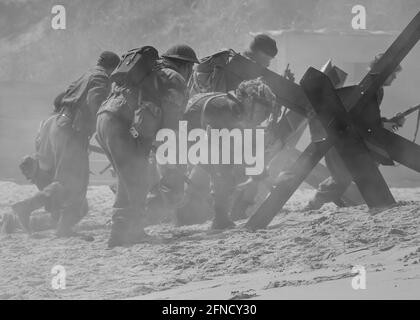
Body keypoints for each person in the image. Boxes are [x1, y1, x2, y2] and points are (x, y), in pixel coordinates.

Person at [96, 44, 199, 248]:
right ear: (186, 66)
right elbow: (172, 118)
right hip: (122, 126)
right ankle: (127, 233)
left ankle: (121, 233)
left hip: (104, 120)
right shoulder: (174, 78)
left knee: (129, 180)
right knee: (137, 181)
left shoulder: (149, 72)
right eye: (191, 69)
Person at [11, 51, 120, 237]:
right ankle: (27, 208)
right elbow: (96, 102)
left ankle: (62, 227)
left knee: (72, 182)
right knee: (72, 181)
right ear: (113, 67)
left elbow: (66, 96)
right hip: (72, 130)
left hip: (64, 125)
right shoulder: (102, 78)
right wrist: (107, 120)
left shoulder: (87, 74)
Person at [305, 53, 405, 210]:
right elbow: (362, 121)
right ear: (384, 72)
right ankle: (313, 205)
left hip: (349, 136)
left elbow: (369, 118)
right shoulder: (368, 89)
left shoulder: (376, 90)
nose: (394, 78)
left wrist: (389, 122)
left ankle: (349, 203)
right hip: (337, 135)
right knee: (341, 178)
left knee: (364, 167)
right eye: (393, 73)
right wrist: (384, 124)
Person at [183, 78, 276, 229]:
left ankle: (212, 214)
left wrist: (264, 177)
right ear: (247, 101)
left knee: (227, 169)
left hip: (199, 135)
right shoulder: (223, 109)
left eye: (266, 111)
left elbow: (250, 149)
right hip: (183, 136)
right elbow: (220, 158)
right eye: (260, 109)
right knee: (224, 171)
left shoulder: (239, 111)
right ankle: (219, 219)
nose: (262, 116)